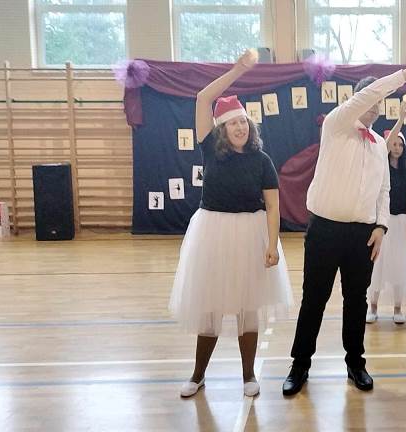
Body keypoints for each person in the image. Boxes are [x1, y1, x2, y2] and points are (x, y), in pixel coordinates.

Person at [283, 54, 406, 396]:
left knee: (356, 301)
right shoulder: (336, 124)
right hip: (324, 230)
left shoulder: (380, 144)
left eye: (380, 105)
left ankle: (355, 362)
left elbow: (384, 190)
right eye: (373, 101)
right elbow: (370, 93)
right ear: (359, 100)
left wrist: (380, 227)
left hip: (361, 235)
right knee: (314, 299)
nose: (376, 108)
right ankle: (300, 364)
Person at [170, 50, 293, 398]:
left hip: (251, 234)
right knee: (210, 307)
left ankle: (248, 375)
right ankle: (198, 375)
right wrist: (239, 69)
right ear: (222, 129)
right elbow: (202, 98)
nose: (240, 127)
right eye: (233, 123)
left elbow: (273, 206)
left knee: (247, 309)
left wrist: (272, 245)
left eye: (244, 122)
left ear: (250, 127)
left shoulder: (262, 160)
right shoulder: (210, 147)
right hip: (213, 232)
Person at [366, 101, 406, 324]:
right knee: (378, 265)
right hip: (383, 223)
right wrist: (401, 118)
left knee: (399, 268)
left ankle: (397, 307)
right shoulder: (380, 166)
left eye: (400, 144)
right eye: (393, 143)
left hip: (402, 223)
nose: (396, 147)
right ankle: (373, 306)